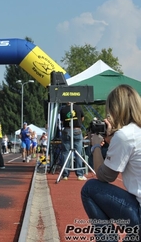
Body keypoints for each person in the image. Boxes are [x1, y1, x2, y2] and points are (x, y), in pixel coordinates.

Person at [81, 85, 141, 241]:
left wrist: (95, 146)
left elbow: (105, 176)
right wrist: (110, 140)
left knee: (89, 188)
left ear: (116, 109)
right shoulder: (133, 132)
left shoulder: (125, 135)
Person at [59, 102, 87, 181]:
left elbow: (62, 121)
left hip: (67, 130)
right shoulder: (78, 107)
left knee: (65, 153)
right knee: (79, 153)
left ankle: (65, 174)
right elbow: (82, 118)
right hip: (77, 130)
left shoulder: (63, 109)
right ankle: (79, 174)